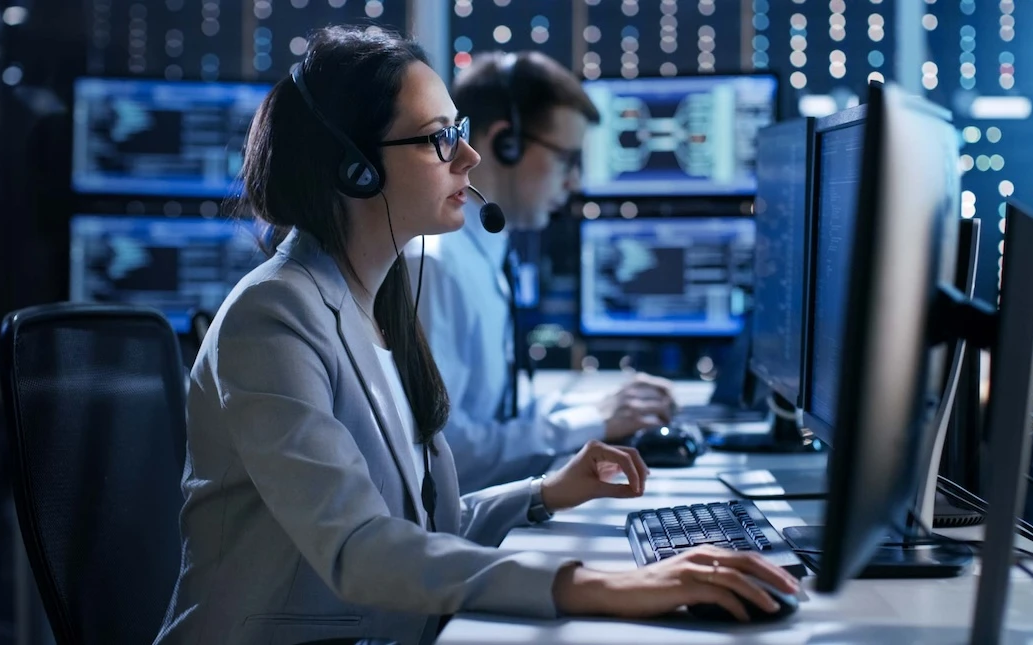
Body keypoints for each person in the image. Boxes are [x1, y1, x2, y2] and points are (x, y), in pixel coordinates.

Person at [154, 26, 798, 645]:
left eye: (458, 131)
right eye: (439, 139)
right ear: (356, 169)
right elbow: (358, 548)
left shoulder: (378, 300)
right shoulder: (273, 317)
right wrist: (601, 584)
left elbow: (422, 525)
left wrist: (544, 492)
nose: (470, 156)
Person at [406, 51, 680, 491]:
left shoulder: (486, 255)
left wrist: (601, 409)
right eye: (567, 160)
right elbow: (446, 454)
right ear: (504, 144)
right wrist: (593, 421)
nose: (574, 183)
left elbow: (498, 411)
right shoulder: (434, 267)